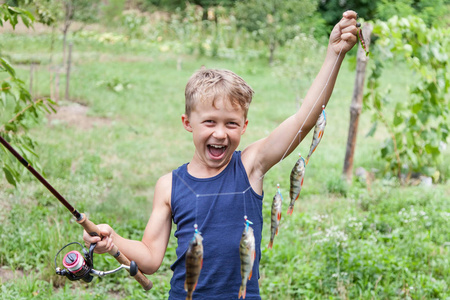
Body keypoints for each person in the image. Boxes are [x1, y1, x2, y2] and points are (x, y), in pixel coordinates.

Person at [83, 10, 358, 299]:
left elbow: (305, 118)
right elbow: (150, 257)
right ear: (188, 123)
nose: (220, 133)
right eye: (209, 122)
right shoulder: (169, 185)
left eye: (231, 123)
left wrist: (334, 54)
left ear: (244, 126)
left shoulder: (251, 166)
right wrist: (114, 240)